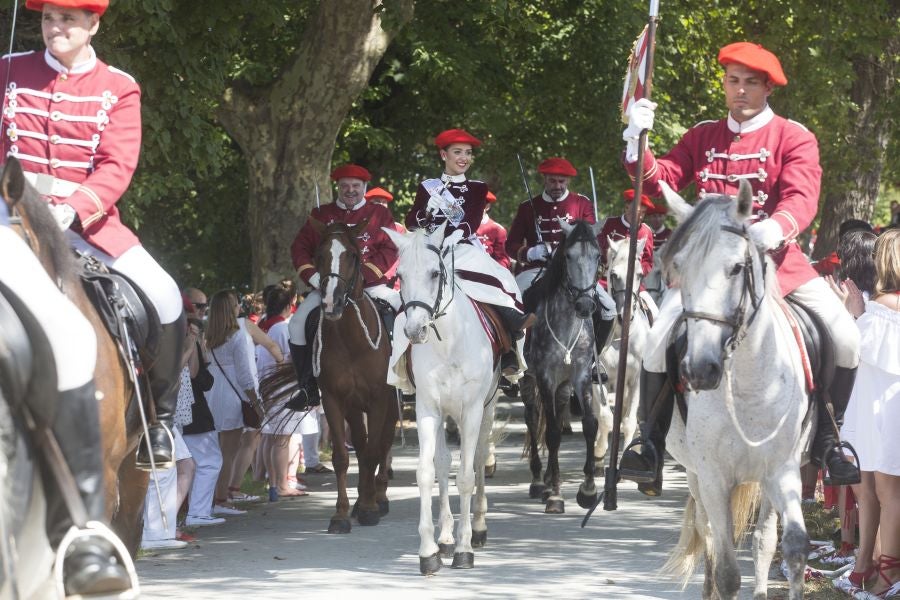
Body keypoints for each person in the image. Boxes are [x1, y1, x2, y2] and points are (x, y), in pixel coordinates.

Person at [618, 41, 861, 495]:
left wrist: (775, 227)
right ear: (725, 85)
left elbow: (802, 198)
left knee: (846, 337)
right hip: (709, 272)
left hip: (777, 266)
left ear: (768, 88)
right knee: (654, 342)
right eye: (733, 81)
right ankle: (648, 441)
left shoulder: (793, 136)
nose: (741, 90)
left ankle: (831, 440)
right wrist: (637, 143)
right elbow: (658, 184)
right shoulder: (702, 136)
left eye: (751, 82)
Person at [1, 0, 185, 470]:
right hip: (10, 215)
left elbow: (116, 165)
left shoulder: (118, 86)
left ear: (93, 25)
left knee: (166, 296)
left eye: (67, 19)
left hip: (84, 224)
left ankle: (159, 423)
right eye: (48, 18)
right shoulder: (9, 69)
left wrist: (73, 208)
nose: (54, 27)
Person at [1, 193, 132, 592]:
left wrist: (75, 206)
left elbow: (116, 165)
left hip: (44, 222)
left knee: (70, 331)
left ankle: (79, 534)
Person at [399, 128, 533, 379]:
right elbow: (412, 223)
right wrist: (426, 211)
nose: (464, 158)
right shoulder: (428, 187)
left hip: (461, 246)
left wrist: (456, 235)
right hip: (430, 248)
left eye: (468, 153)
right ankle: (400, 360)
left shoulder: (477, 188)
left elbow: (471, 220)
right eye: (457, 152)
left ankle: (510, 338)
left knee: (499, 278)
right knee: (408, 294)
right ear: (444, 155)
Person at [288, 164, 400, 406]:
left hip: (370, 285)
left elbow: (391, 248)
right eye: (345, 186)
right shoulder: (321, 214)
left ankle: (405, 378)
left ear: (364, 188)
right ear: (337, 187)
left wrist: (364, 276)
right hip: (329, 286)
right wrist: (314, 278)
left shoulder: (379, 214)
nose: (350, 190)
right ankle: (307, 387)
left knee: (405, 312)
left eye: (356, 186)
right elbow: (300, 248)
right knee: (296, 324)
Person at [837, 229, 900, 595]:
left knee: (888, 492)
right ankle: (880, 564)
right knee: (884, 490)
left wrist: (856, 315)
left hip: (886, 413)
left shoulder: (883, 307)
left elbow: (859, 349)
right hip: (884, 410)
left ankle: (888, 570)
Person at [506, 156, 616, 357]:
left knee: (609, 308)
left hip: (575, 270)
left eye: (561, 181)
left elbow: (593, 238)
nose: (557, 185)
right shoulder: (527, 207)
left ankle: (594, 359)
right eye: (552, 181)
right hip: (537, 269)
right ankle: (514, 358)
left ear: (568, 181)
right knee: (512, 305)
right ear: (544, 179)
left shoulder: (581, 203)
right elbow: (511, 244)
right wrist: (530, 252)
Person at [204, 290, 259, 516]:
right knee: (228, 452)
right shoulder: (238, 335)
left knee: (213, 451)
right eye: (236, 304)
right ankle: (222, 500)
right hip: (232, 396)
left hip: (210, 393)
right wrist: (255, 401)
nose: (240, 308)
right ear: (230, 309)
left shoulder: (208, 336)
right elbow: (245, 375)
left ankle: (210, 498)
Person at [476, 190, 511, 269]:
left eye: (478, 204)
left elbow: (502, 260)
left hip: (487, 272)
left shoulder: (498, 230)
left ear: (487, 207)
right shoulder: (461, 226)